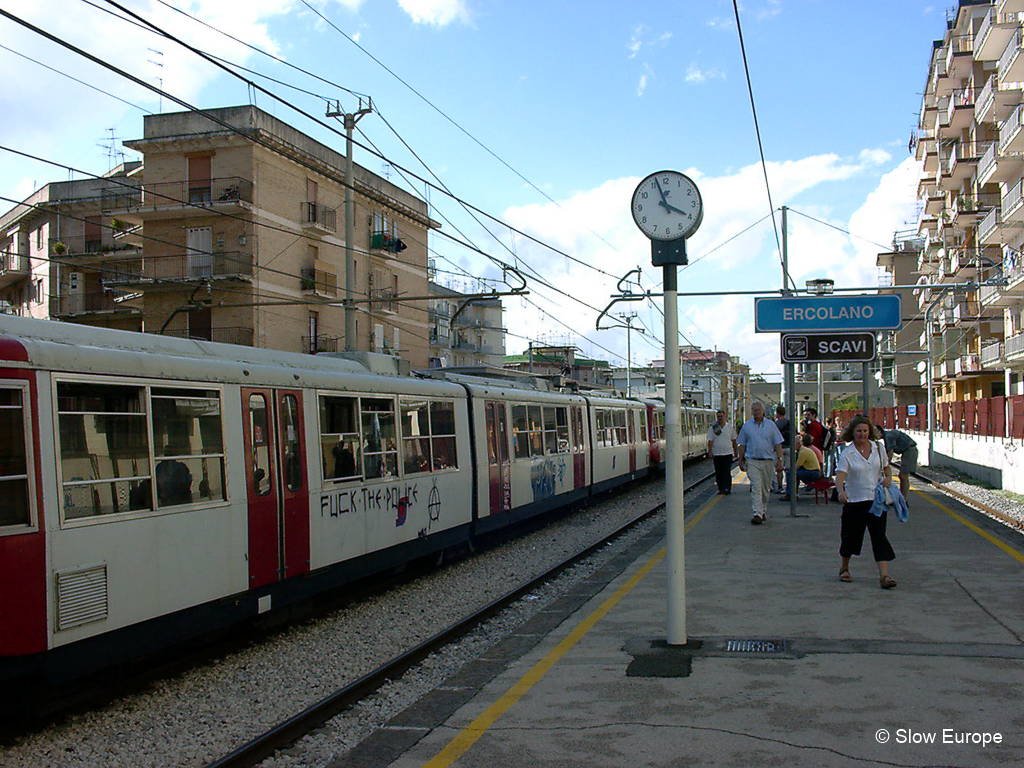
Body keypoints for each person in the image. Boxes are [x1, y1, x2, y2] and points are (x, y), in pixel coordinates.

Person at [834, 414, 897, 589]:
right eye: (858, 431)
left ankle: (884, 576)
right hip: (855, 501)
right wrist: (841, 491)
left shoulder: (878, 448)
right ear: (852, 433)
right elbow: (840, 476)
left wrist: (889, 478)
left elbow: (886, 467)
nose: (862, 434)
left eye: (865, 431)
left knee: (879, 537)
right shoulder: (848, 453)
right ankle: (845, 567)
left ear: (870, 432)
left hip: (876, 501)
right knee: (850, 536)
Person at [737, 401, 784, 525]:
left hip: (768, 461)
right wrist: (740, 459)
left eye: (758, 410)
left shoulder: (771, 425)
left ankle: (762, 510)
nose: (756, 412)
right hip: (752, 460)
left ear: (763, 411)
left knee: (765, 488)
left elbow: (777, 443)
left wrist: (780, 459)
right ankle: (757, 513)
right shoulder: (747, 426)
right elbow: (742, 444)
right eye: (754, 410)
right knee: (756, 487)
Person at [879, 427, 918, 499]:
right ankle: (902, 497)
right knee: (902, 476)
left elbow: (890, 452)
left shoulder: (888, 436)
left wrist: (886, 466)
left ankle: (904, 499)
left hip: (909, 450)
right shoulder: (888, 435)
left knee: (903, 476)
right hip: (907, 450)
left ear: (879, 432)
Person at [780, 433, 822, 501]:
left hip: (813, 472)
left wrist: (784, 468)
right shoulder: (804, 450)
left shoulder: (803, 452)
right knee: (795, 474)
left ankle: (789, 494)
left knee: (790, 473)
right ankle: (793, 493)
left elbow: (796, 467)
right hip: (813, 471)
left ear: (798, 444)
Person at [706, 409, 738, 494]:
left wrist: (736, 451)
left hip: (728, 453)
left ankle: (727, 488)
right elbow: (710, 441)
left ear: (725, 417)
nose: (720, 418)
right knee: (719, 472)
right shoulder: (713, 428)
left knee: (726, 471)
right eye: (718, 416)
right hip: (717, 453)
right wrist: (710, 452)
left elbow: (734, 440)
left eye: (721, 416)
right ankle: (721, 488)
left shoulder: (730, 427)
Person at [773, 405, 792, 492]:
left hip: (779, 449)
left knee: (779, 469)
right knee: (788, 469)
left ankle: (779, 486)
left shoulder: (775, 424)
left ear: (777, 413)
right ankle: (789, 487)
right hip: (789, 448)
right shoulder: (790, 423)